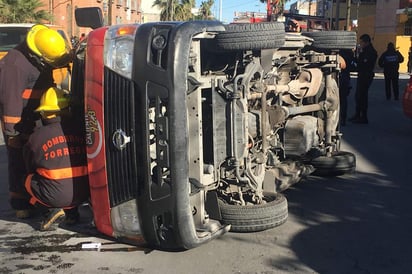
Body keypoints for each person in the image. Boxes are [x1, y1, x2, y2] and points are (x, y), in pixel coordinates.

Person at [0, 24, 72, 219]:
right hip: (19, 123)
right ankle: (21, 204)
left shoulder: (39, 60)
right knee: (18, 162)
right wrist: (12, 133)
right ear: (36, 53)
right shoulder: (14, 65)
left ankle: (41, 199)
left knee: (37, 159)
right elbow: (10, 102)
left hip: (36, 118)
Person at [23, 87, 89, 231]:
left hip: (55, 197)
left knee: (28, 180)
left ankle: (49, 210)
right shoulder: (81, 129)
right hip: (86, 193)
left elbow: (30, 167)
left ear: (43, 112)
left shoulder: (36, 137)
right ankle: (72, 213)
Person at [349, 34, 378, 124]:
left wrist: (357, 62)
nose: (360, 44)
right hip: (362, 75)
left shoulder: (370, 52)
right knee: (358, 96)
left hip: (366, 75)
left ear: (366, 42)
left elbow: (364, 63)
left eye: (361, 42)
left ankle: (363, 117)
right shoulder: (364, 51)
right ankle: (358, 114)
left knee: (362, 96)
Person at [339, 49, 355, 126]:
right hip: (345, 78)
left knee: (340, 100)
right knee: (343, 100)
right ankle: (342, 119)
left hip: (341, 78)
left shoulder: (340, 54)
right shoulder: (350, 54)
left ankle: (341, 119)